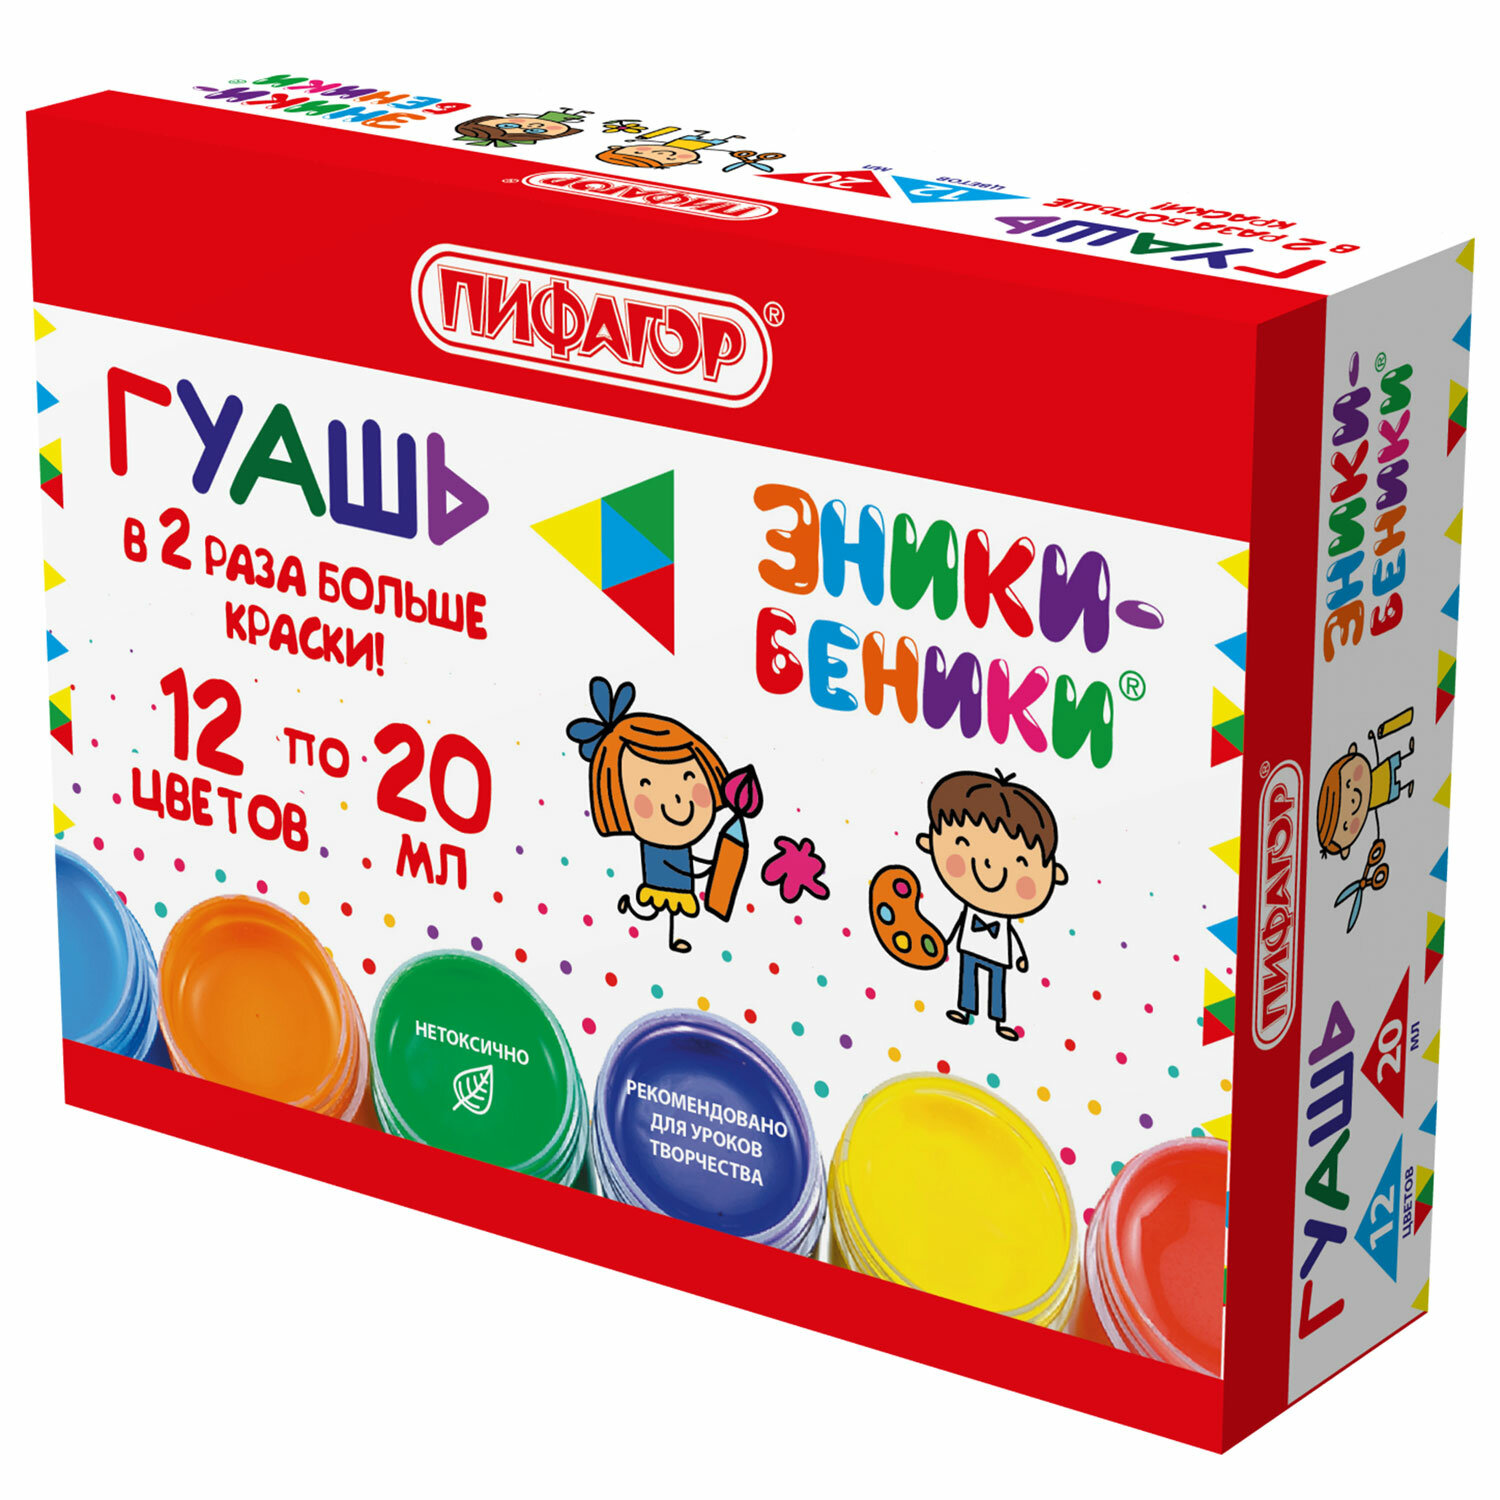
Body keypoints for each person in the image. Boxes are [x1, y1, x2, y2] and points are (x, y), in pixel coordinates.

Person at [569, 677, 730, 954]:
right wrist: (708, 867)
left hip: (680, 886)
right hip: (661, 884)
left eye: (688, 777)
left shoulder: (679, 843)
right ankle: (633, 909)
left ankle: (663, 931)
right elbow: (679, 867)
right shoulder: (655, 846)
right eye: (646, 785)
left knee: (669, 912)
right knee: (654, 908)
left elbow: (686, 864)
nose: (677, 799)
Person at [916, 769, 1068, 1041]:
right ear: (930, 842)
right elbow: (957, 927)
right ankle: (966, 1010)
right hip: (970, 944)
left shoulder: (1005, 918)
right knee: (968, 976)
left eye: (1021, 862)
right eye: (962, 844)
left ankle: (998, 1021)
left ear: (1052, 874)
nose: (988, 867)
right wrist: (944, 942)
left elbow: (1013, 937)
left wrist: (1021, 956)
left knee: (997, 985)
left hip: (998, 952)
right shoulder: (969, 910)